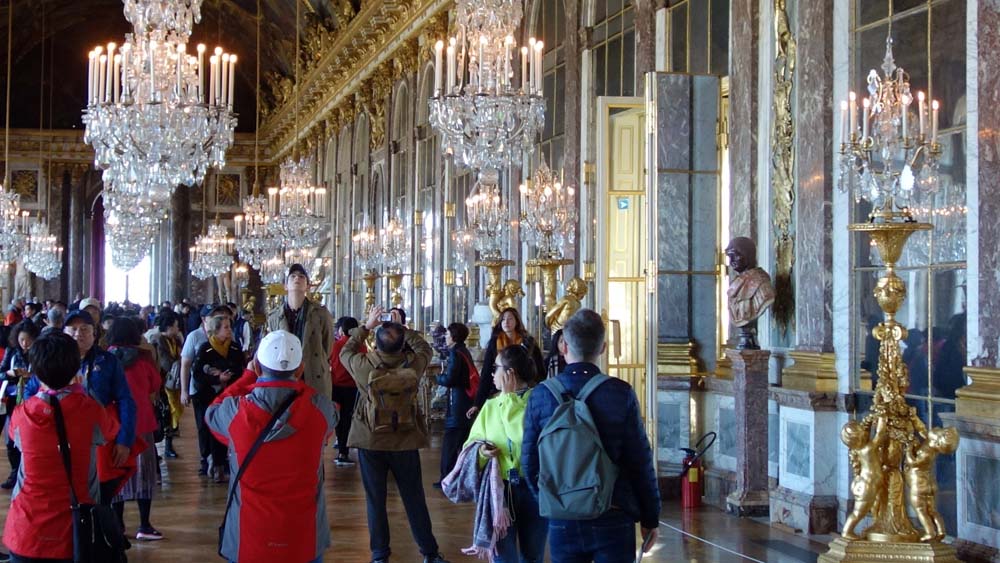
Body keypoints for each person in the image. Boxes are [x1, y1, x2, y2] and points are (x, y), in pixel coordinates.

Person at [521, 309, 661, 562]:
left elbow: (530, 462)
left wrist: (550, 502)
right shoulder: (620, 393)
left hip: (562, 515)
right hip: (613, 512)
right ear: (603, 347)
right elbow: (639, 461)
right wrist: (651, 517)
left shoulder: (541, 395)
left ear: (563, 346)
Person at [207, 330, 338, 563]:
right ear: (300, 369)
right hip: (304, 537)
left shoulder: (235, 413)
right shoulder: (321, 410)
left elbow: (212, 412)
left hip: (249, 537)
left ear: (257, 367)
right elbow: (328, 426)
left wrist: (246, 378)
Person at [340, 305, 451, 563]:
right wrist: (404, 329)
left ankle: (380, 555)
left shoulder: (363, 365)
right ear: (402, 346)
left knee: (375, 500)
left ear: (375, 345)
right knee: (414, 498)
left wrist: (366, 326)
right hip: (405, 438)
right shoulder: (412, 364)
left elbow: (344, 350)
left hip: (371, 438)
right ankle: (430, 552)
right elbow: (425, 348)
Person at [2, 333, 119, 562]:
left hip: (26, 528)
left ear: (35, 369)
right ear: (76, 366)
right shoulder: (91, 410)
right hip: (75, 529)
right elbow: (109, 431)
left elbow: (17, 440)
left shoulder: (22, 412)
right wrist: (84, 392)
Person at [464, 345, 546, 563]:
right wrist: (481, 452)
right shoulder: (490, 406)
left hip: (534, 489)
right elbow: (469, 446)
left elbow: (521, 436)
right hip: (500, 490)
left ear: (511, 373)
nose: (491, 373)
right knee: (502, 557)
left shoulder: (538, 401)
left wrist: (509, 399)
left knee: (533, 555)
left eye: (496, 368)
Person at [106, 318, 164, 541]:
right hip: (141, 424)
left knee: (117, 473)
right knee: (145, 475)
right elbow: (154, 385)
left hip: (114, 426)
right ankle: (144, 524)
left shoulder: (106, 360)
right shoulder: (142, 361)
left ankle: (118, 524)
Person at [267, 264, 334, 399]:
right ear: (285, 286)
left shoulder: (320, 313)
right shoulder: (275, 316)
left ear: (308, 286)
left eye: (302, 276)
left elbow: (327, 346)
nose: (297, 278)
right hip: (285, 373)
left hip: (313, 374)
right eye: (292, 276)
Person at [193, 315, 246, 482]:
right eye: (225, 327)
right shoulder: (205, 348)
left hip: (230, 395)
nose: (229, 330)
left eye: (230, 326)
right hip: (208, 395)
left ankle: (226, 463)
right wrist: (217, 379)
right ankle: (215, 465)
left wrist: (228, 375)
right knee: (210, 429)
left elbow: (241, 369)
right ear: (216, 330)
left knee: (229, 428)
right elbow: (198, 373)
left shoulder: (235, 348)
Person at [467, 308, 544, 419]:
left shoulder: (528, 342)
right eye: (503, 320)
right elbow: (486, 373)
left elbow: (539, 368)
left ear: (517, 321)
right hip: (499, 390)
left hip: (524, 391)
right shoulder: (495, 343)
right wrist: (477, 403)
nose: (506, 322)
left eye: (510, 319)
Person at [0, 320, 39, 489]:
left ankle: (28, 472)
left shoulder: (38, 353)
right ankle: (15, 472)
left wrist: (31, 375)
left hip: (32, 399)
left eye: (28, 340)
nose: (25, 344)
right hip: (12, 399)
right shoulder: (12, 352)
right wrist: (10, 373)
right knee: (11, 440)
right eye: (22, 340)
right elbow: (1, 373)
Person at [436, 322, 474, 485]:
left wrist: (438, 378)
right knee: (460, 442)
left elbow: (451, 378)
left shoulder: (455, 353)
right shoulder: (463, 350)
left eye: (447, 334)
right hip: (464, 400)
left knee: (450, 444)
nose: (445, 337)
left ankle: (447, 477)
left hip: (458, 402)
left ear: (454, 336)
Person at [330, 316, 363, 467]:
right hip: (352, 387)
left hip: (336, 386)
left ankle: (340, 444)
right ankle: (344, 451)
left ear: (342, 330)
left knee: (339, 417)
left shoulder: (335, 345)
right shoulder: (361, 346)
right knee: (348, 419)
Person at [156, 311, 184, 458]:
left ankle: (169, 444)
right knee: (166, 413)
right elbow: (164, 361)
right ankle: (166, 446)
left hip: (175, 382)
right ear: (168, 327)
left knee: (174, 411)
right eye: (175, 326)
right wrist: (176, 365)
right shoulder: (159, 341)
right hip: (164, 382)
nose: (178, 328)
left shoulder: (175, 340)